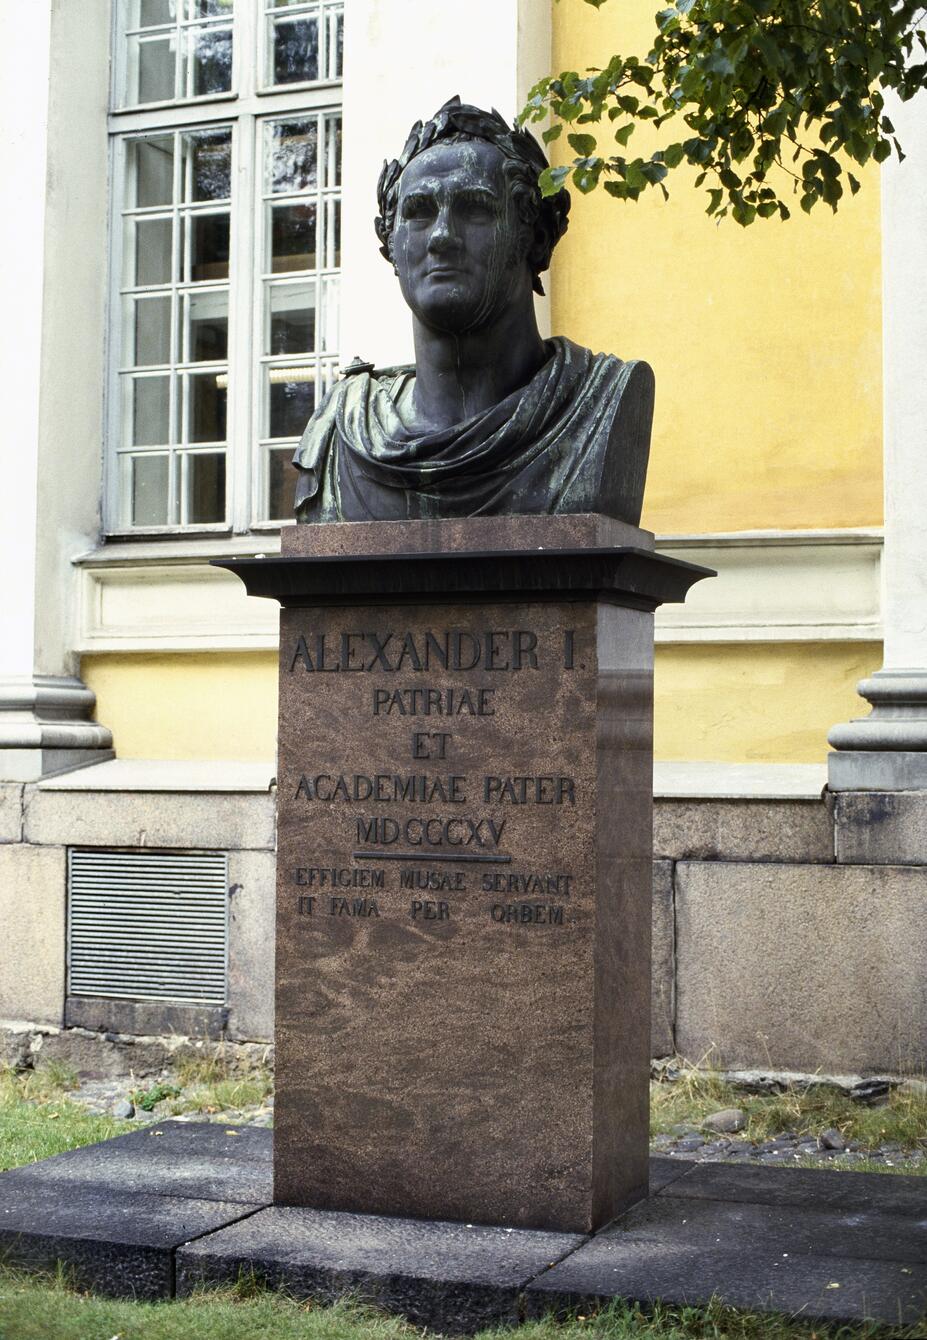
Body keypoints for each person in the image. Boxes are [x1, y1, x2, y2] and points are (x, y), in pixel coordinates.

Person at [293, 96, 654, 523]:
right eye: (419, 213)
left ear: (536, 238)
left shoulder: (600, 403)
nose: (442, 236)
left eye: (475, 209)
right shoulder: (342, 425)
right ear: (390, 243)